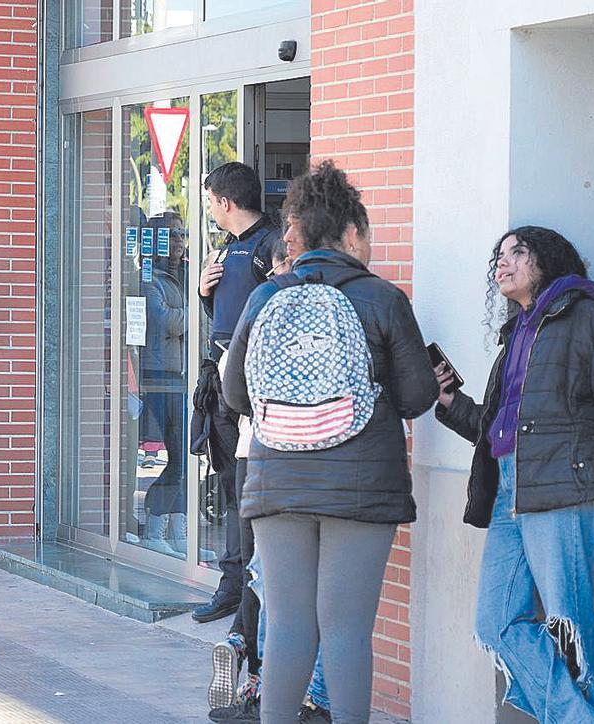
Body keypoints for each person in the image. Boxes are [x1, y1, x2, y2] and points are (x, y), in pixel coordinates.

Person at [221, 160, 437, 724]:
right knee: (345, 630)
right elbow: (416, 398)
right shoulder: (383, 298)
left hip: (277, 481)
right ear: (348, 234)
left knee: (290, 624)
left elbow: (235, 393)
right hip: (360, 487)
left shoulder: (266, 298)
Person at [434, 226, 594, 722]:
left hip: (563, 489)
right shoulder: (520, 329)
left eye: (516, 253)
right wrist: (450, 403)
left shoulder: (584, 314)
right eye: (498, 256)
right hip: (509, 490)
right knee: (496, 622)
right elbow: (500, 427)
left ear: (546, 260)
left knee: (575, 632)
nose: (502, 264)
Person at [209, 246, 332, 724]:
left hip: (258, 456)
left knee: (265, 574)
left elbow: (231, 387)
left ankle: (252, 668)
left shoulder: (263, 305)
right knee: (304, 588)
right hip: (320, 467)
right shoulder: (344, 308)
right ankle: (292, 694)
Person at [192, 162, 282, 625]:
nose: (210, 210)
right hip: (221, 382)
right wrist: (206, 293)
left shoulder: (272, 246)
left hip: (254, 389)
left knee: (249, 494)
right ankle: (232, 587)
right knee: (229, 488)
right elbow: (224, 317)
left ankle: (251, 597)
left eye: (210, 201)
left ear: (225, 202)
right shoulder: (227, 249)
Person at [138, 212, 190, 556]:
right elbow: (162, 322)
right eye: (170, 237)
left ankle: (178, 528)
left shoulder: (182, 275)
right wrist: (195, 315)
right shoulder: (148, 278)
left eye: (181, 235)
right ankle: (154, 525)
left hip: (183, 374)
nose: (178, 243)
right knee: (175, 456)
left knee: (187, 456)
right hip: (159, 375)